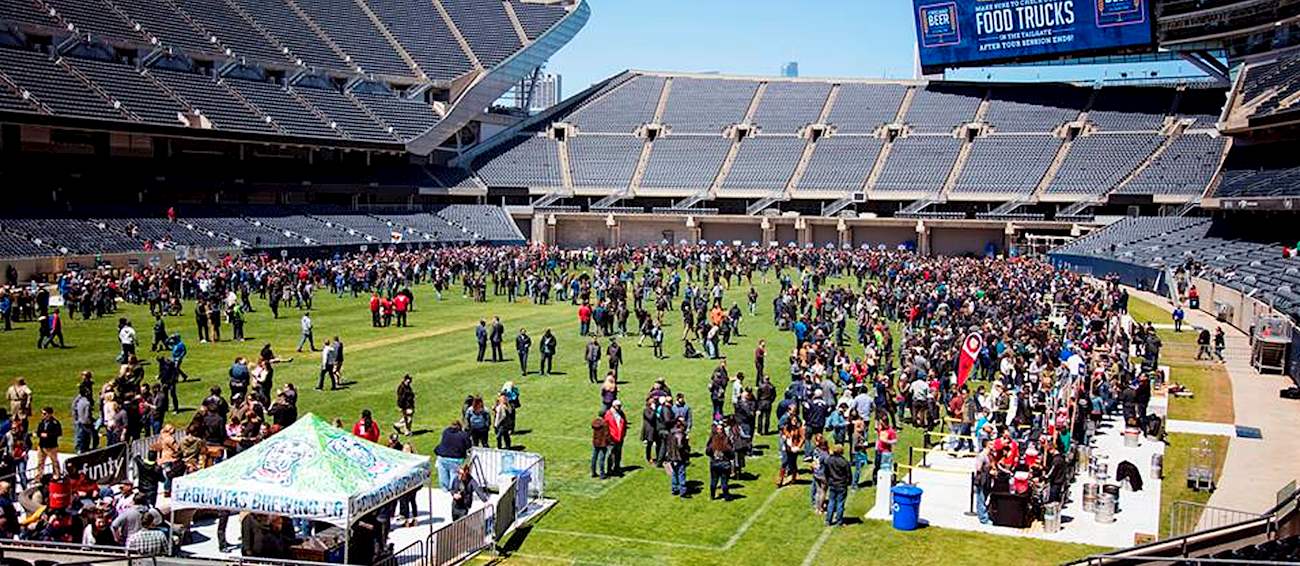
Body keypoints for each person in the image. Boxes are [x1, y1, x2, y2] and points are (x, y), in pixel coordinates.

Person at [434, 421, 471, 490]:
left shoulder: (445, 432)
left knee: (443, 477)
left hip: (442, 457)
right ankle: (453, 492)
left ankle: (444, 491)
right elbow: (469, 445)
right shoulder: (463, 435)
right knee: (454, 478)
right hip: (455, 459)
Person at [823, 445, 851, 526]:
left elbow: (826, 472)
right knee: (840, 503)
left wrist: (828, 480)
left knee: (831, 501)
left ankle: (828, 520)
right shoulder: (844, 462)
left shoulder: (829, 460)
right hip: (841, 485)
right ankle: (839, 520)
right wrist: (848, 483)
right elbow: (848, 474)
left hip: (832, 484)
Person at [705, 423, 733, 500]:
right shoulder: (726, 440)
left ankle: (712, 495)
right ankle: (726, 496)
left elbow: (707, 451)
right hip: (725, 464)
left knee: (713, 481)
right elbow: (731, 452)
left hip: (714, 464)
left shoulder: (713, 440)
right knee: (724, 481)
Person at [663, 419, 690, 498]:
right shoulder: (680, 435)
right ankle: (683, 491)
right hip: (679, 457)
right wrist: (686, 442)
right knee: (681, 473)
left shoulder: (670, 433)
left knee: (674, 473)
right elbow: (680, 446)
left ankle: (674, 489)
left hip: (671, 457)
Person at [35, 407, 61, 479]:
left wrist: (48, 435)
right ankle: (39, 475)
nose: (43, 415)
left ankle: (57, 474)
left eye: (44, 413)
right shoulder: (42, 422)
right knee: (40, 462)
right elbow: (38, 432)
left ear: (49, 414)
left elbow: (58, 433)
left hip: (51, 446)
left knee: (54, 461)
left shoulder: (55, 423)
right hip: (41, 445)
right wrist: (40, 434)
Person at [603, 400, 626, 477]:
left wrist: (623, 434)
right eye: (618, 406)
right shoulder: (608, 414)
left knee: (618, 454)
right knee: (611, 454)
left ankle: (617, 467)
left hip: (620, 437)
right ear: (614, 406)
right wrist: (608, 437)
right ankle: (609, 470)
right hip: (612, 438)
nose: (620, 407)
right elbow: (606, 427)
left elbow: (624, 423)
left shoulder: (621, 413)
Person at [71, 385, 94, 454]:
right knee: (85, 439)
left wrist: (76, 418)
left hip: (79, 421)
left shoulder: (79, 401)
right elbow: (87, 415)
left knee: (78, 437)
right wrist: (89, 422)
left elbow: (73, 408)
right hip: (85, 423)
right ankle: (83, 451)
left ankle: (78, 449)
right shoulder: (87, 403)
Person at [590, 411, 610, 479]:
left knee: (594, 458)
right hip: (603, 443)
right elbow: (607, 434)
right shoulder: (605, 424)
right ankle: (602, 474)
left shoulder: (595, 422)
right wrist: (609, 442)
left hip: (595, 442)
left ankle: (593, 472)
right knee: (601, 459)